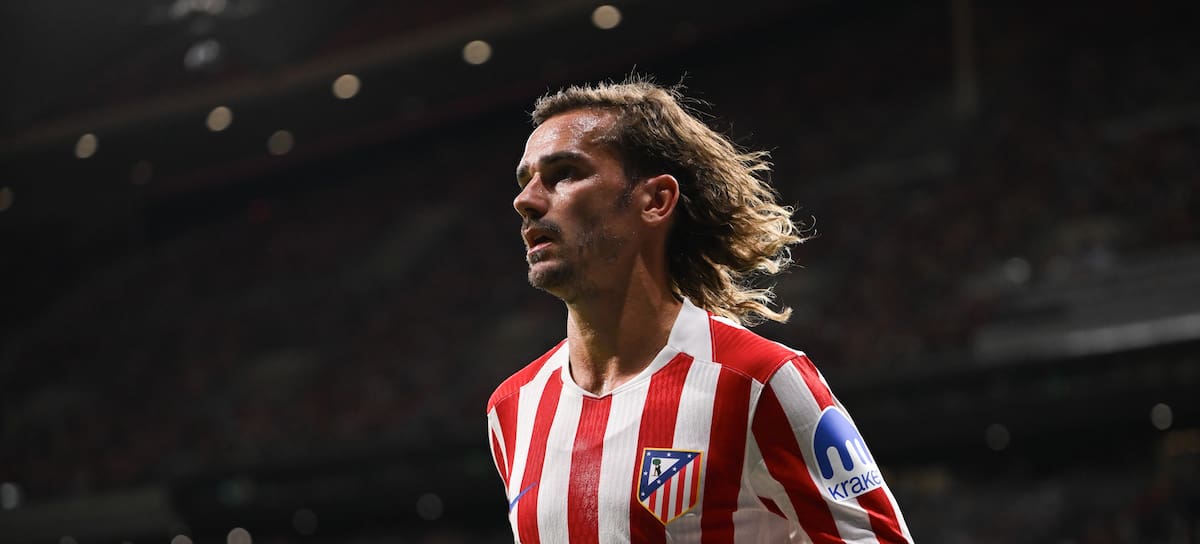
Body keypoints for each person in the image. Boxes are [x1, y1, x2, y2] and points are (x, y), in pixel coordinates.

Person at [486, 77, 912, 543]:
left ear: (655, 200)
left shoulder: (758, 380)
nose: (525, 200)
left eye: (565, 173)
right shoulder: (513, 407)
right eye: (525, 181)